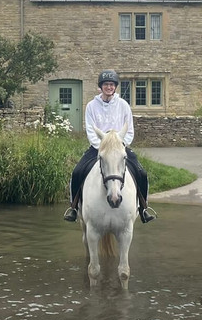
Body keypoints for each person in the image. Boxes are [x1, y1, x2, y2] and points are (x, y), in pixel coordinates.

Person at [63, 69, 156, 224]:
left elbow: (130, 130)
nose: (109, 87)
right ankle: (73, 208)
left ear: (115, 87)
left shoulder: (124, 105)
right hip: (98, 148)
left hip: (119, 148)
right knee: (77, 171)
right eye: (106, 84)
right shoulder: (92, 106)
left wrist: (119, 146)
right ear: (101, 87)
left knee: (142, 172)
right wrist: (103, 147)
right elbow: (91, 130)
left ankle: (144, 208)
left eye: (112, 85)